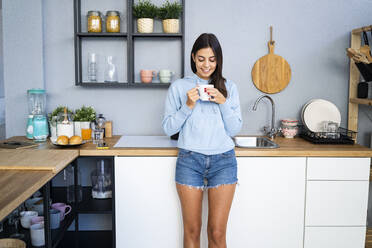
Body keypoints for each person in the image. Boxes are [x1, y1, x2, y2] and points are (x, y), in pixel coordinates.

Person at [162, 33, 242, 248]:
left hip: (224, 161)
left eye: (212, 59)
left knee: (216, 233)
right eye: (201, 59)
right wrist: (187, 105)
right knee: (192, 231)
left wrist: (223, 102)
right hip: (189, 160)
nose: (206, 65)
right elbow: (168, 127)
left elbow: (235, 129)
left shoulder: (229, 87)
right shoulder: (179, 88)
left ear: (218, 60)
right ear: (193, 58)